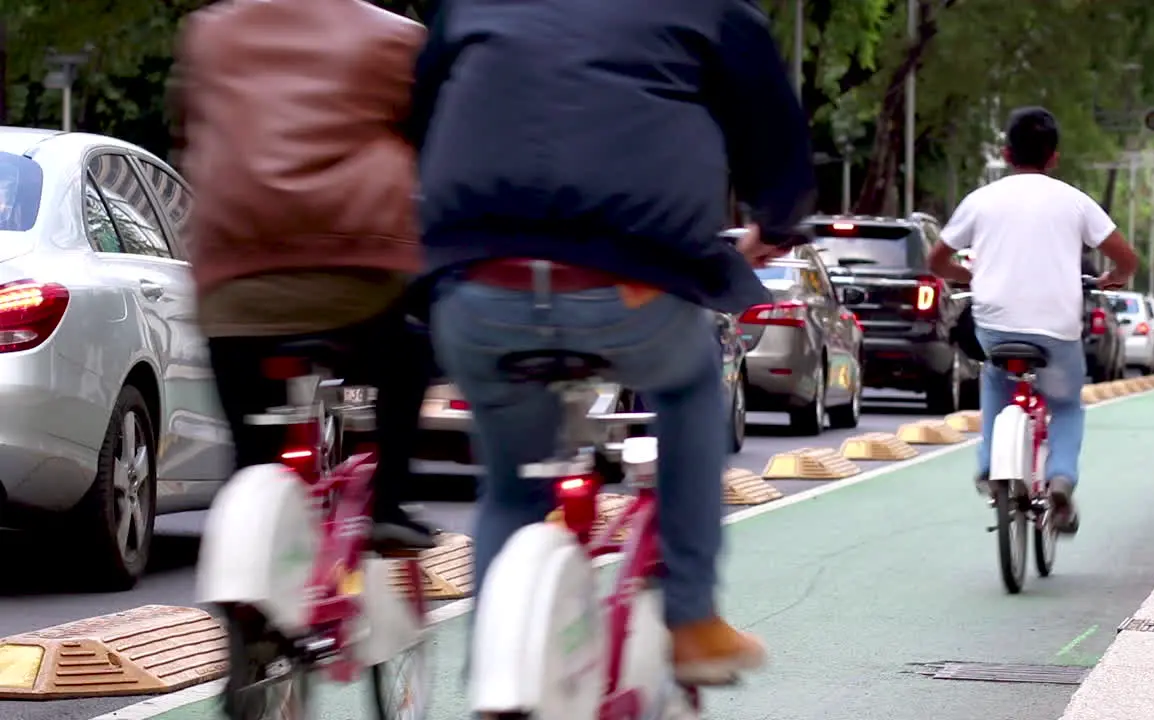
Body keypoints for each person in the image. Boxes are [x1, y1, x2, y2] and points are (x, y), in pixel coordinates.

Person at [412, 0, 815, 685]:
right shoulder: (714, 10)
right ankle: (690, 617)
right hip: (629, 282)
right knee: (692, 387)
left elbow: (419, 119)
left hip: (479, 283)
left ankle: (493, 673)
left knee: (511, 488)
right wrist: (776, 223)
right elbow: (773, 140)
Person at [172, 0, 437, 548]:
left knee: (251, 452)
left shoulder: (209, 34)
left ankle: (249, 528)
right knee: (409, 354)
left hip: (234, 281)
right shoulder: (395, 38)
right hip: (356, 275)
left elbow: (187, 128)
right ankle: (386, 503)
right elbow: (427, 136)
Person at [926, 107, 1139, 534]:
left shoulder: (981, 200)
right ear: (1054, 158)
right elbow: (1127, 258)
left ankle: (989, 466)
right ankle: (1060, 479)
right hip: (1057, 331)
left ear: (1006, 153)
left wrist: (970, 276)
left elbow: (937, 259)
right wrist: (1113, 278)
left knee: (996, 380)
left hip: (996, 326)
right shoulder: (1075, 201)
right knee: (1064, 405)